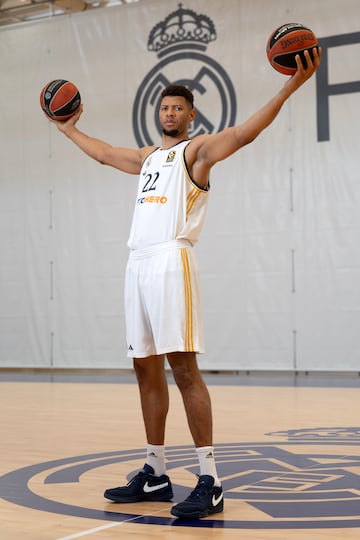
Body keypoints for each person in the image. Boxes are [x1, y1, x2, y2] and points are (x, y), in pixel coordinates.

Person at [49, 47, 321, 519]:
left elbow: (246, 132)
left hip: (173, 262)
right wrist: (69, 129)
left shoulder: (196, 153)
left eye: (178, 108)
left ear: (190, 116)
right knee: (144, 368)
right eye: (164, 107)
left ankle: (210, 479)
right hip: (137, 264)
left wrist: (289, 86)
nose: (170, 113)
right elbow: (105, 154)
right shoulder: (148, 157)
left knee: (184, 369)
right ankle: (155, 472)